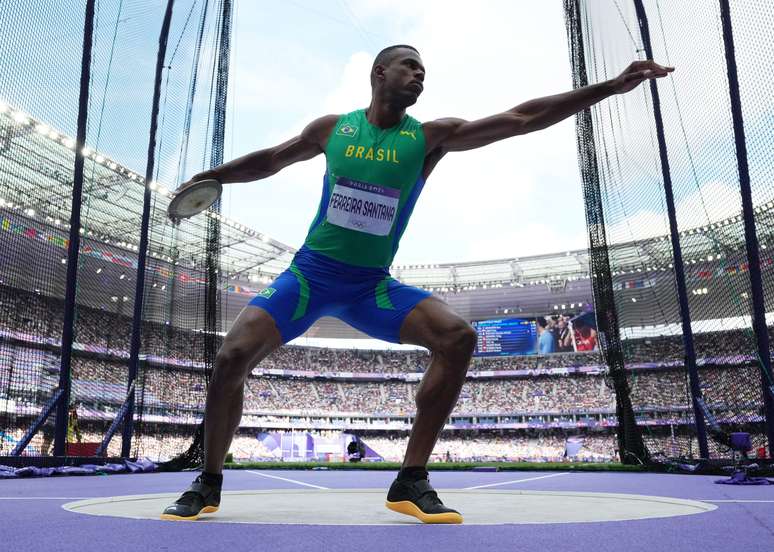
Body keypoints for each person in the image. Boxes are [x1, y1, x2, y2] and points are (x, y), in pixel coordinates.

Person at [161, 44, 673, 523]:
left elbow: (521, 119)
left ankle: (410, 480)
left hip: (370, 288)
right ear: (380, 73)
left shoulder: (429, 137)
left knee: (458, 337)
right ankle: (208, 482)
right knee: (231, 357)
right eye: (409, 65)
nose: (420, 74)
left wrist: (609, 86)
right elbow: (271, 160)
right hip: (311, 275)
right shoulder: (332, 129)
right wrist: (214, 177)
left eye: (423, 70)